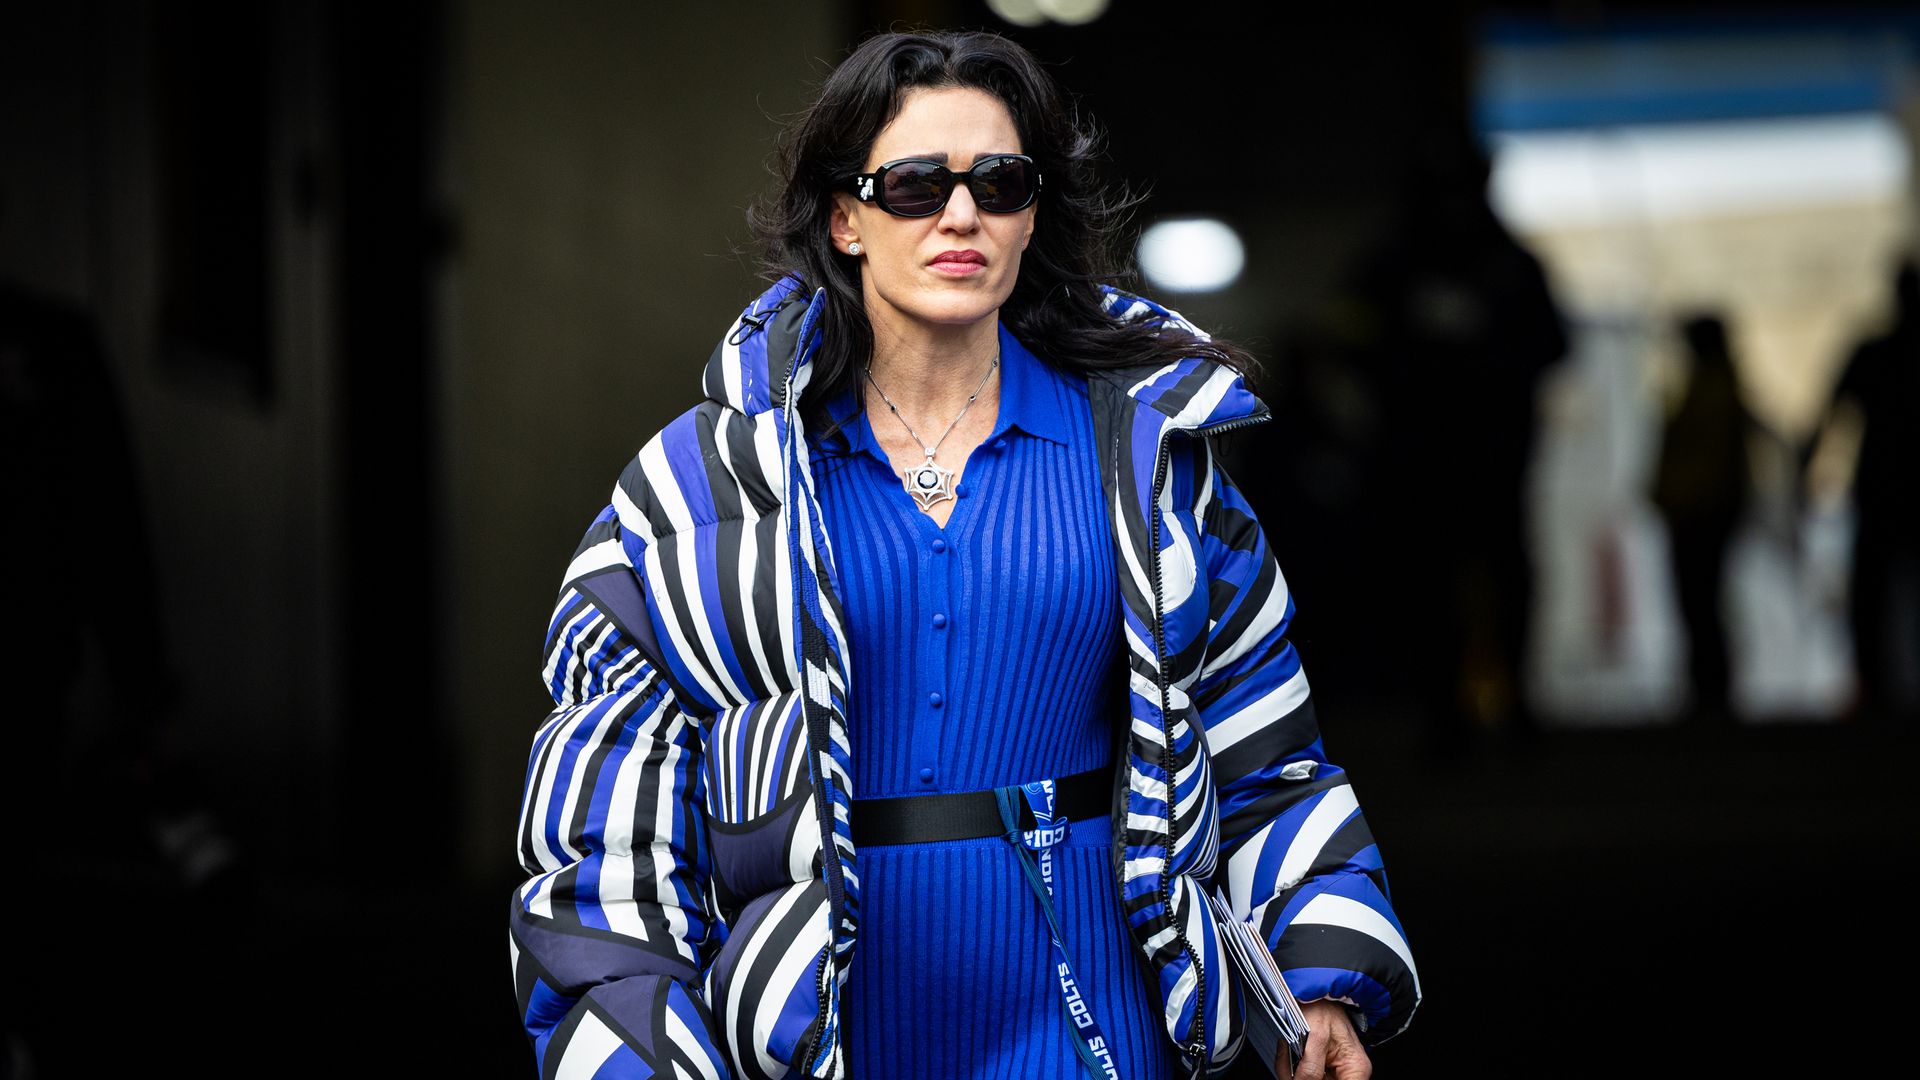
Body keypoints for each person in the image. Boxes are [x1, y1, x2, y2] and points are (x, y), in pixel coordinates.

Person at [508, 29, 1418, 1080]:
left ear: (1032, 214)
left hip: (1095, 1022)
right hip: (825, 1040)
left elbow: (1263, 751)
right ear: (844, 218)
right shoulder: (698, 491)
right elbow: (605, 842)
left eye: (999, 182)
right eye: (912, 185)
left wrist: (1320, 975)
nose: (960, 215)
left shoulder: (1149, 460)